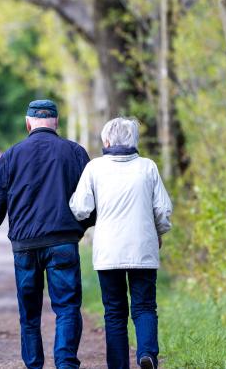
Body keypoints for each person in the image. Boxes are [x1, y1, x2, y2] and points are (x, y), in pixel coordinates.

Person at [0, 99, 93, 369]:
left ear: (27, 123)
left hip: (25, 246)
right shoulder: (75, 153)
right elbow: (91, 200)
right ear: (56, 123)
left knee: (29, 313)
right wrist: (79, 229)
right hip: (63, 242)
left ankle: (34, 365)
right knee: (66, 308)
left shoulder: (11, 155)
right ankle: (65, 364)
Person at [69, 117, 173, 369]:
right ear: (134, 140)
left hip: (108, 252)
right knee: (145, 306)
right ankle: (147, 354)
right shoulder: (147, 167)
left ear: (106, 140)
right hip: (143, 248)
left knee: (114, 313)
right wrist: (158, 232)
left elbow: (81, 208)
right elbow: (163, 210)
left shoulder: (95, 168)